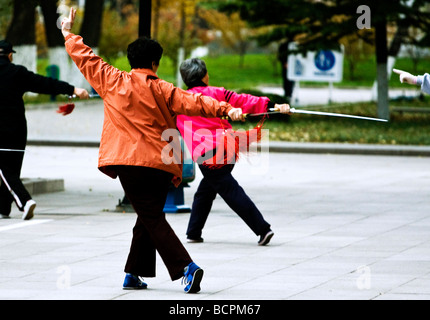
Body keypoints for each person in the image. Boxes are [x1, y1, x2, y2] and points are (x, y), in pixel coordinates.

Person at [61, 8, 243, 293]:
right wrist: (227, 109)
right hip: (162, 163)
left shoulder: (111, 80)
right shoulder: (165, 90)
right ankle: (133, 274)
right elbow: (196, 102)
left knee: (151, 216)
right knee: (149, 214)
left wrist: (67, 32)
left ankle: (186, 268)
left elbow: (85, 57)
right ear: (155, 63)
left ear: (130, 59)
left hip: (129, 162)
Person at [177, 58, 290, 246]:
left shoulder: (180, 100)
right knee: (206, 190)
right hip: (228, 149)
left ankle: (263, 229)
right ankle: (193, 232)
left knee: (229, 190)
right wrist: (273, 105)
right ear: (205, 76)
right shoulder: (218, 93)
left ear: (185, 79)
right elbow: (244, 100)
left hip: (208, 156)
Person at [0, 39, 89, 221]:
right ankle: (3, 208)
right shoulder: (17, 72)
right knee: (12, 170)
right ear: (10, 56)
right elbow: (44, 84)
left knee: (5, 170)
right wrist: (72, 89)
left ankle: (25, 202)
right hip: (17, 130)